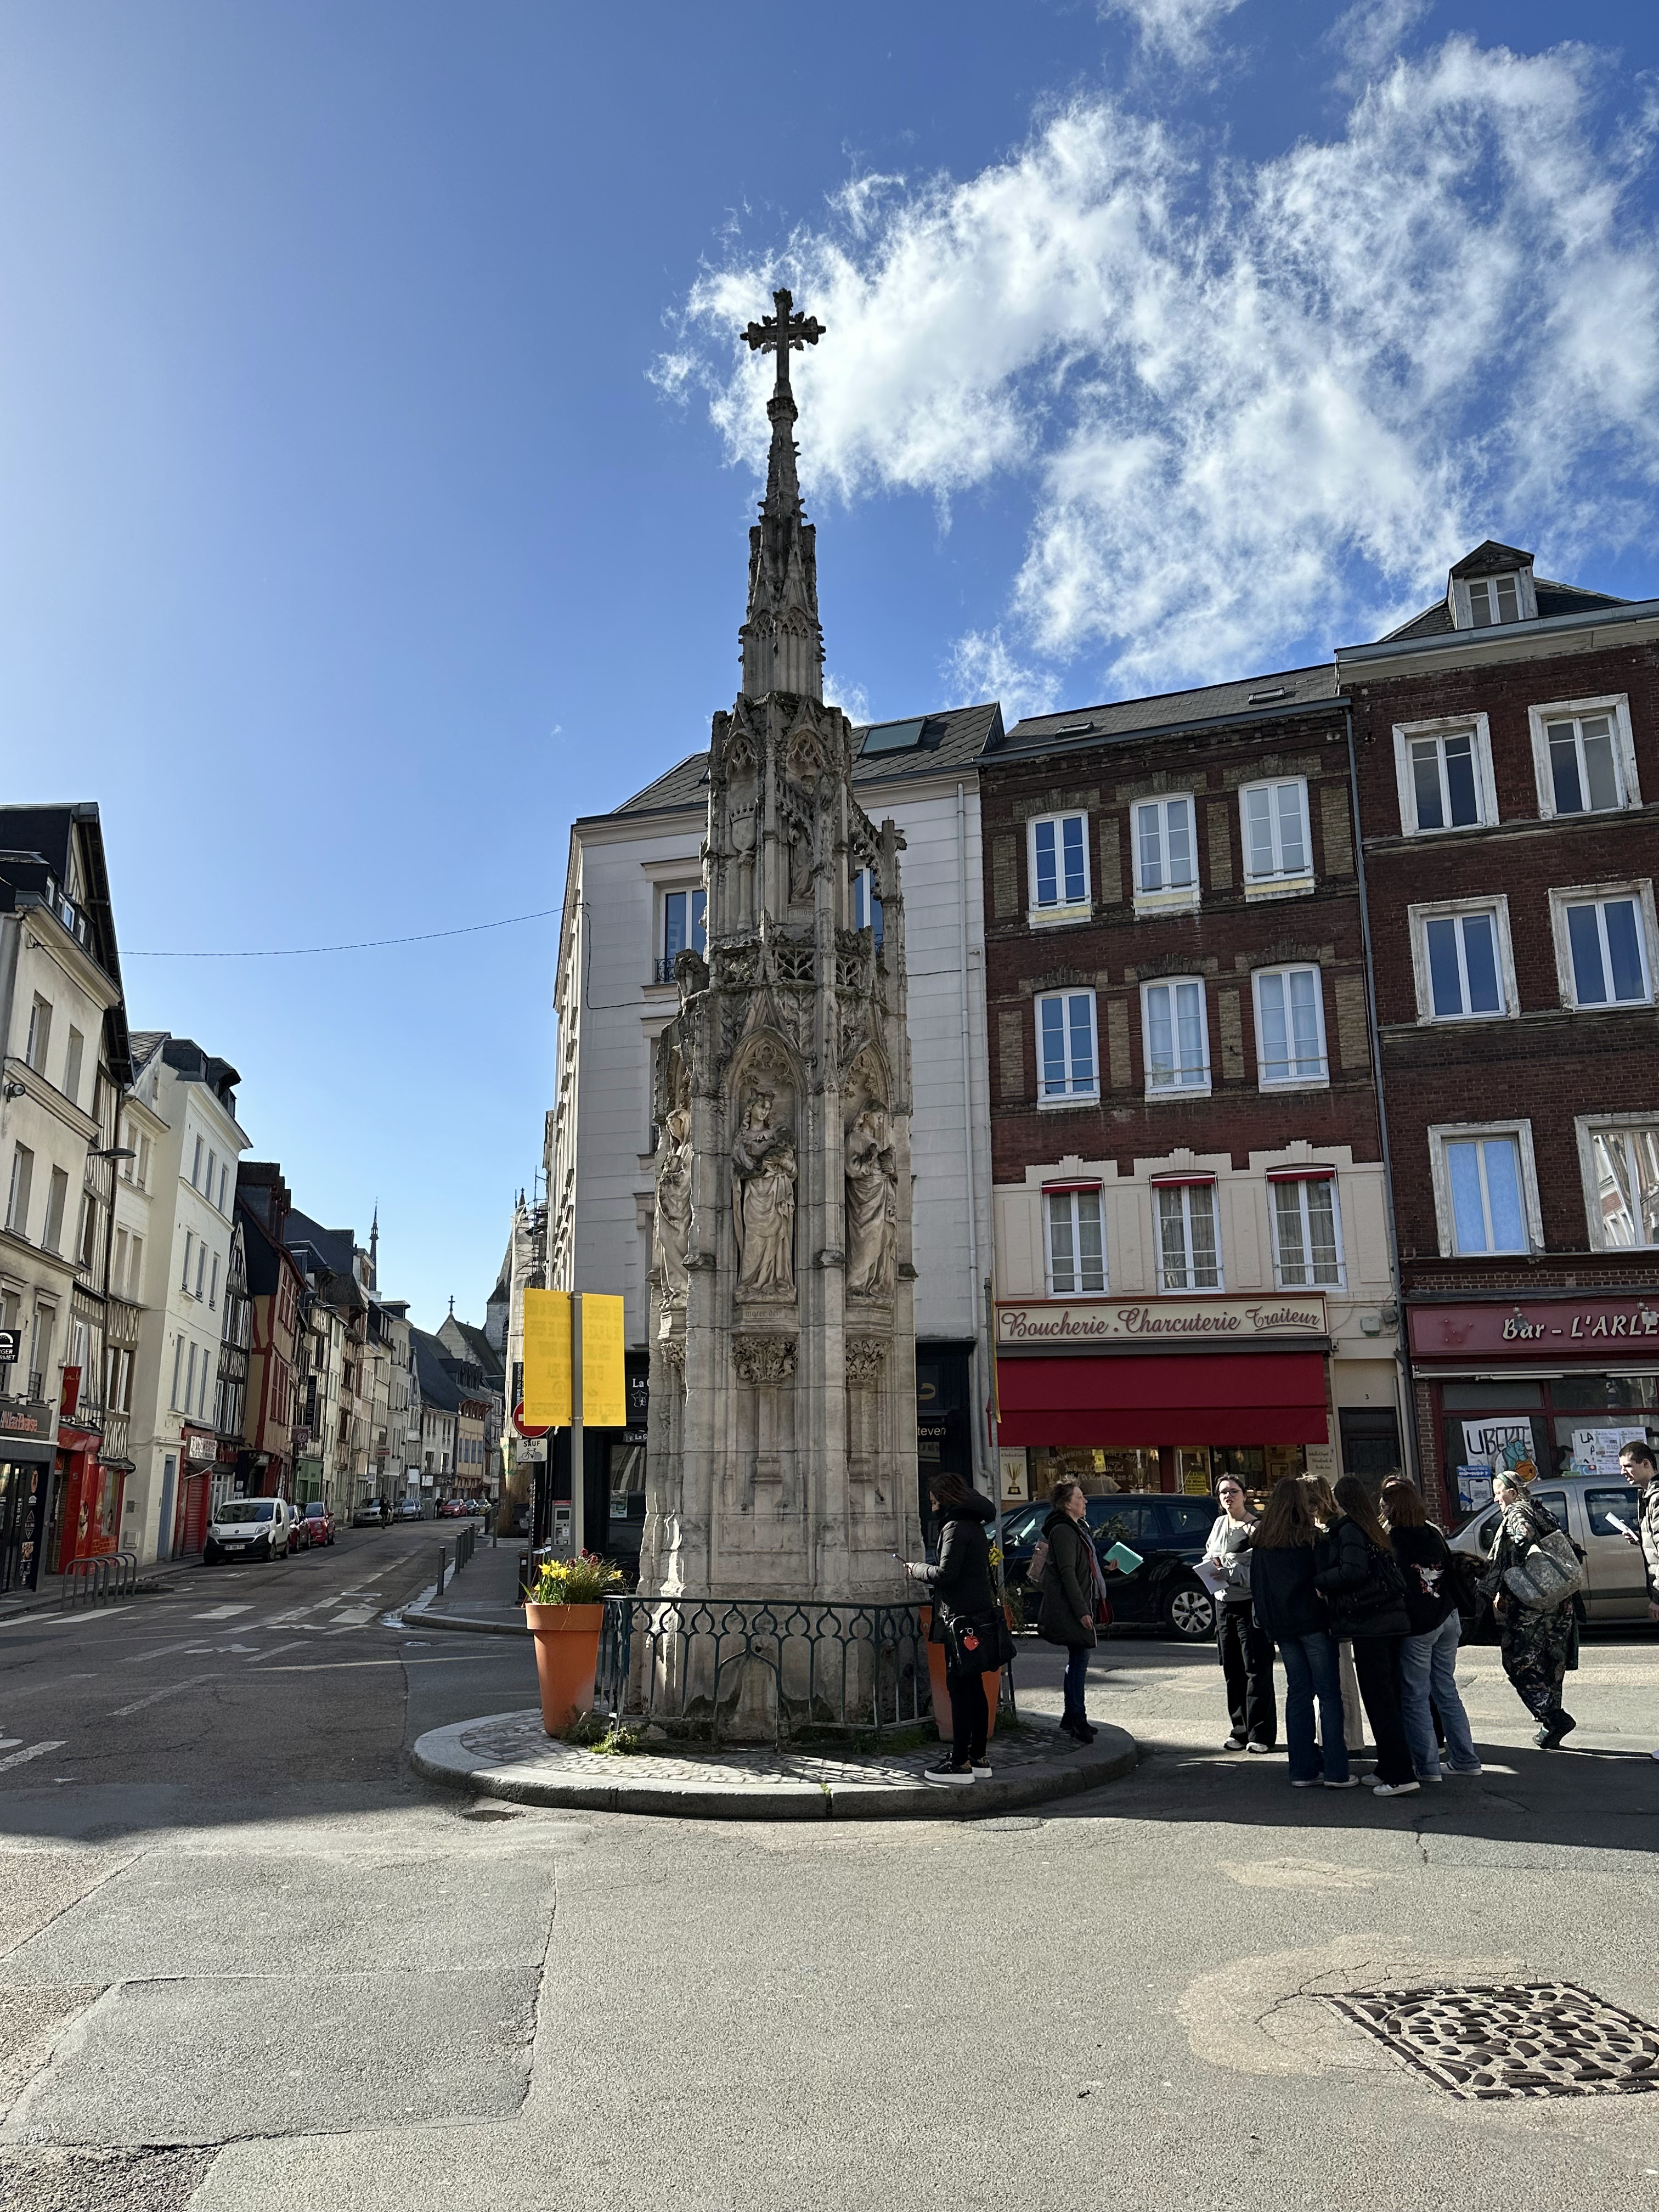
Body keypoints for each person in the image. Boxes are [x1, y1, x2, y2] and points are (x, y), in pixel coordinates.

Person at [1313, 1474, 1417, 1795]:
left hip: (1370, 1623)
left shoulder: (1349, 1529)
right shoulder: (1373, 1527)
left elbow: (1353, 1571)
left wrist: (1321, 1581)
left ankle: (1400, 1775)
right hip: (1391, 1621)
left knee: (1380, 1700)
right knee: (1389, 1697)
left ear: (1341, 1500)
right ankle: (1389, 1766)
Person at [1249, 1479, 1353, 1788]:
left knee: (1298, 1693)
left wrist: (1269, 1627)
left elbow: (1259, 1588)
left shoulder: (1263, 1541)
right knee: (1329, 1694)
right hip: (1315, 1622)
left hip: (1283, 1626)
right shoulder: (1312, 1539)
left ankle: (1302, 1770)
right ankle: (1336, 1770)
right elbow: (1325, 1580)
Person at [1380, 1477, 1481, 1781]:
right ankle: (1466, 1759)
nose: (1381, 1508)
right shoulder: (1432, 1532)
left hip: (1420, 1624)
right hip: (1448, 1616)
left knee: (1415, 1696)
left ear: (1393, 1508)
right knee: (1446, 1690)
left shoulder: (1395, 1539)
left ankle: (1426, 1767)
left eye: (1384, 1503)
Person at [904, 1472, 1000, 1787]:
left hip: (960, 1621)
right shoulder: (974, 1525)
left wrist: (916, 1569)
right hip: (976, 1616)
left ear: (945, 1499)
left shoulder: (955, 1527)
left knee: (959, 1690)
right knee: (974, 1687)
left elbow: (947, 1574)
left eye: (934, 1502)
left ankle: (959, 1762)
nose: (932, 1508)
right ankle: (979, 1756)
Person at [1481, 1469, 1579, 1749]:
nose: (1496, 1499)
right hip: (1561, 1597)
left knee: (1517, 1659)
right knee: (1551, 1660)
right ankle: (1550, 1730)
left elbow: (1522, 1541)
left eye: (1498, 1493)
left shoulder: (1517, 1512)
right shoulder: (1543, 1511)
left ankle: (1552, 1716)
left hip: (1533, 1601)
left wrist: (1507, 1588)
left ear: (1512, 1493)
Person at [1205, 1475, 1277, 1752]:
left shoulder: (1256, 1528)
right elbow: (1209, 1554)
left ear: (1245, 1495)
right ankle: (1240, 1730)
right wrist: (1209, 1567)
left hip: (1249, 1606)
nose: (1228, 1496)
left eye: (1234, 1491)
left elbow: (1261, 1573)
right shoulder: (1219, 1524)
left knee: (1256, 1669)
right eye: (1223, 1492)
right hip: (1223, 1605)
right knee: (1232, 1669)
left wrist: (1230, 1573)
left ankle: (1261, 1734)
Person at [1036, 1479, 1101, 1744]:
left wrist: (1105, 1570)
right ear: (1066, 1504)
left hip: (1077, 1603)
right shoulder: (1063, 1531)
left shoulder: (1076, 1528)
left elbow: (1081, 1568)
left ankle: (1071, 1716)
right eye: (1079, 1498)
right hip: (1071, 1607)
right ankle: (1077, 1719)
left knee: (1077, 1660)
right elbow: (1067, 1573)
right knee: (1079, 1661)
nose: (1085, 1502)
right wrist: (1082, 1611)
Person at [1616, 1440, 1659, 1762]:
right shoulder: (1649, 1496)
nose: (1624, 1473)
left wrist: (1658, 1598)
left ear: (1646, 1464)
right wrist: (1639, 1539)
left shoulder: (1657, 1498)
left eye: (1628, 1466)